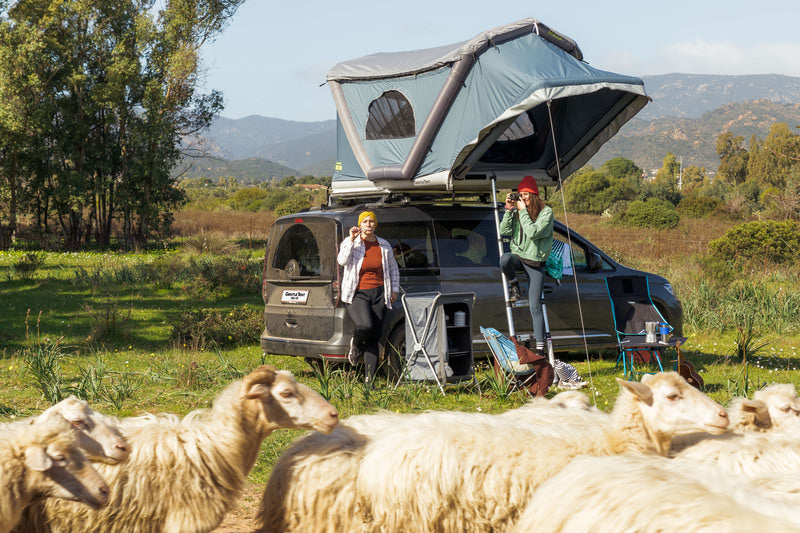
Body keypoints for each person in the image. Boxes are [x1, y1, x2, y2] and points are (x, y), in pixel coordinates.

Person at [337, 210, 400, 385]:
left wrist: (394, 291)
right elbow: (341, 261)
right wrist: (351, 239)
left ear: (375, 224)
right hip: (358, 293)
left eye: (371, 221)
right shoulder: (352, 243)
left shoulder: (384, 245)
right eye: (364, 222)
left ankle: (369, 381)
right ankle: (356, 345)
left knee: (374, 337)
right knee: (365, 325)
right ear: (360, 225)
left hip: (380, 293)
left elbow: (393, 269)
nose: (368, 225)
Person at [499, 175, 554, 356]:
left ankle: (539, 347)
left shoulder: (546, 212)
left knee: (534, 306)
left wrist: (522, 211)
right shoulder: (517, 211)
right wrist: (509, 209)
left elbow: (533, 233)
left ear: (534, 195)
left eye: (526, 194)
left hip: (536, 262)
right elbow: (503, 231)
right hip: (518, 256)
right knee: (504, 259)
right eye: (520, 194)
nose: (523, 198)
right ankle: (514, 284)